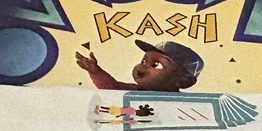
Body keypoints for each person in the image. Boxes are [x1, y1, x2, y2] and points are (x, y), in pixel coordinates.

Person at [76, 38, 204, 92]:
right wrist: (96, 72)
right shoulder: (135, 90)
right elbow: (111, 89)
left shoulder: (185, 102)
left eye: (156, 65)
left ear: (183, 81)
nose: (143, 66)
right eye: (144, 61)